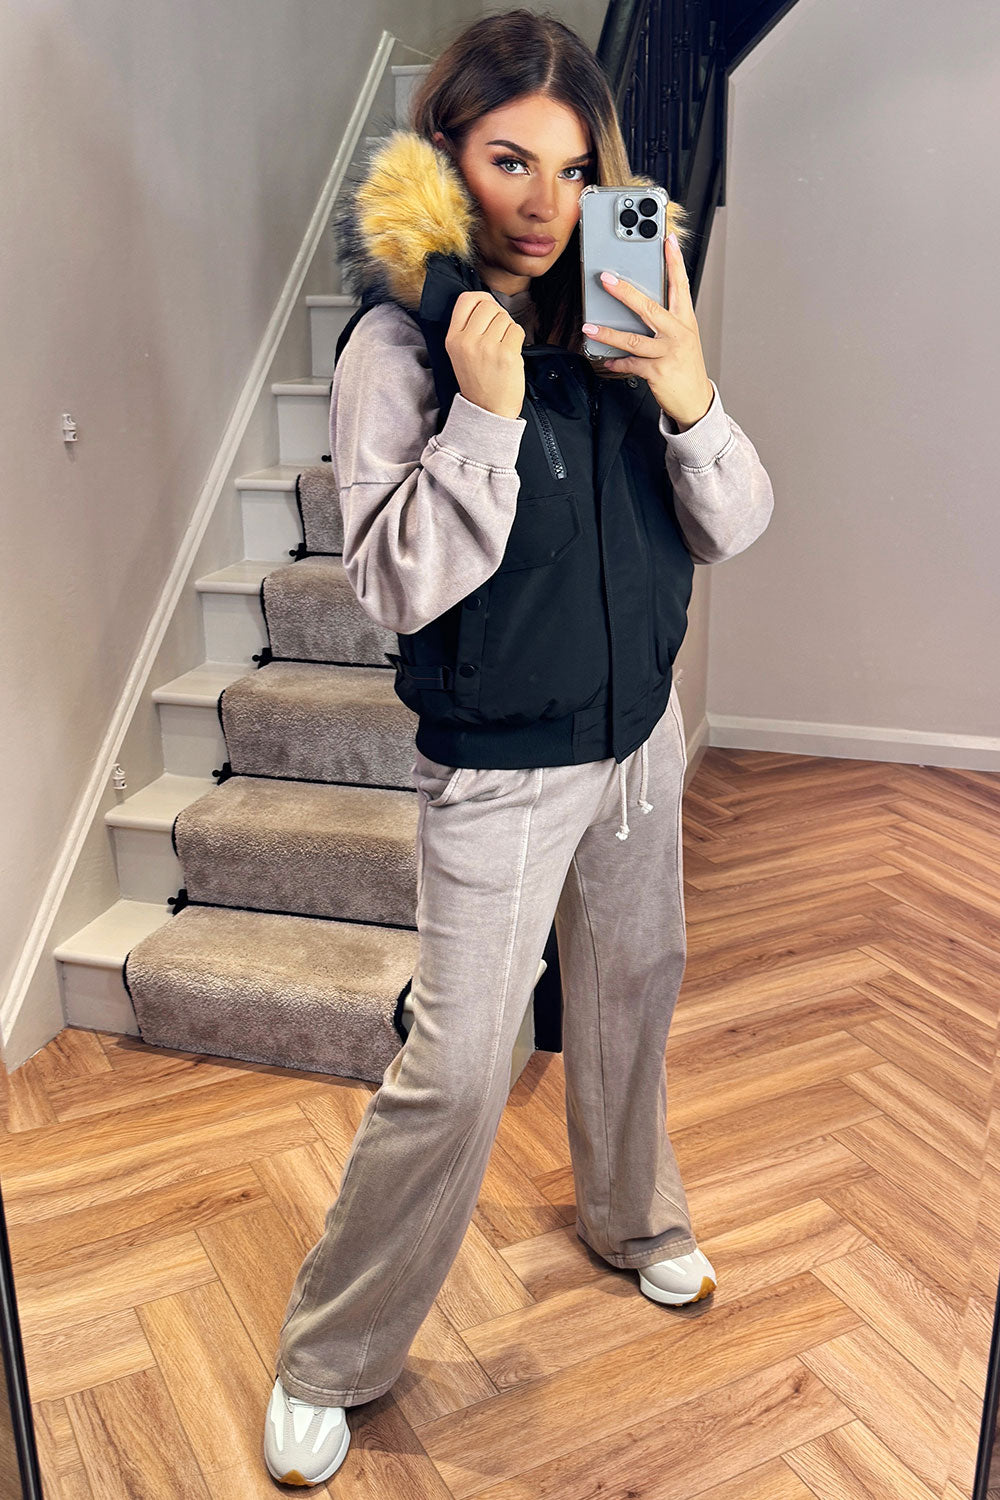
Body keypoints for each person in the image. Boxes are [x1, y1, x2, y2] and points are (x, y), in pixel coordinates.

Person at [264, 9, 774, 1486]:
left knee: (632, 989)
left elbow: (734, 524)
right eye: (507, 161)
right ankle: (330, 1352)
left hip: (639, 744)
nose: (544, 203)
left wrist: (686, 389)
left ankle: (632, 1217)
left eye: (571, 167)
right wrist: (483, 421)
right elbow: (388, 586)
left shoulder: (628, 311)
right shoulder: (396, 348)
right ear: (449, 156)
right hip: (498, 768)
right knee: (461, 1066)